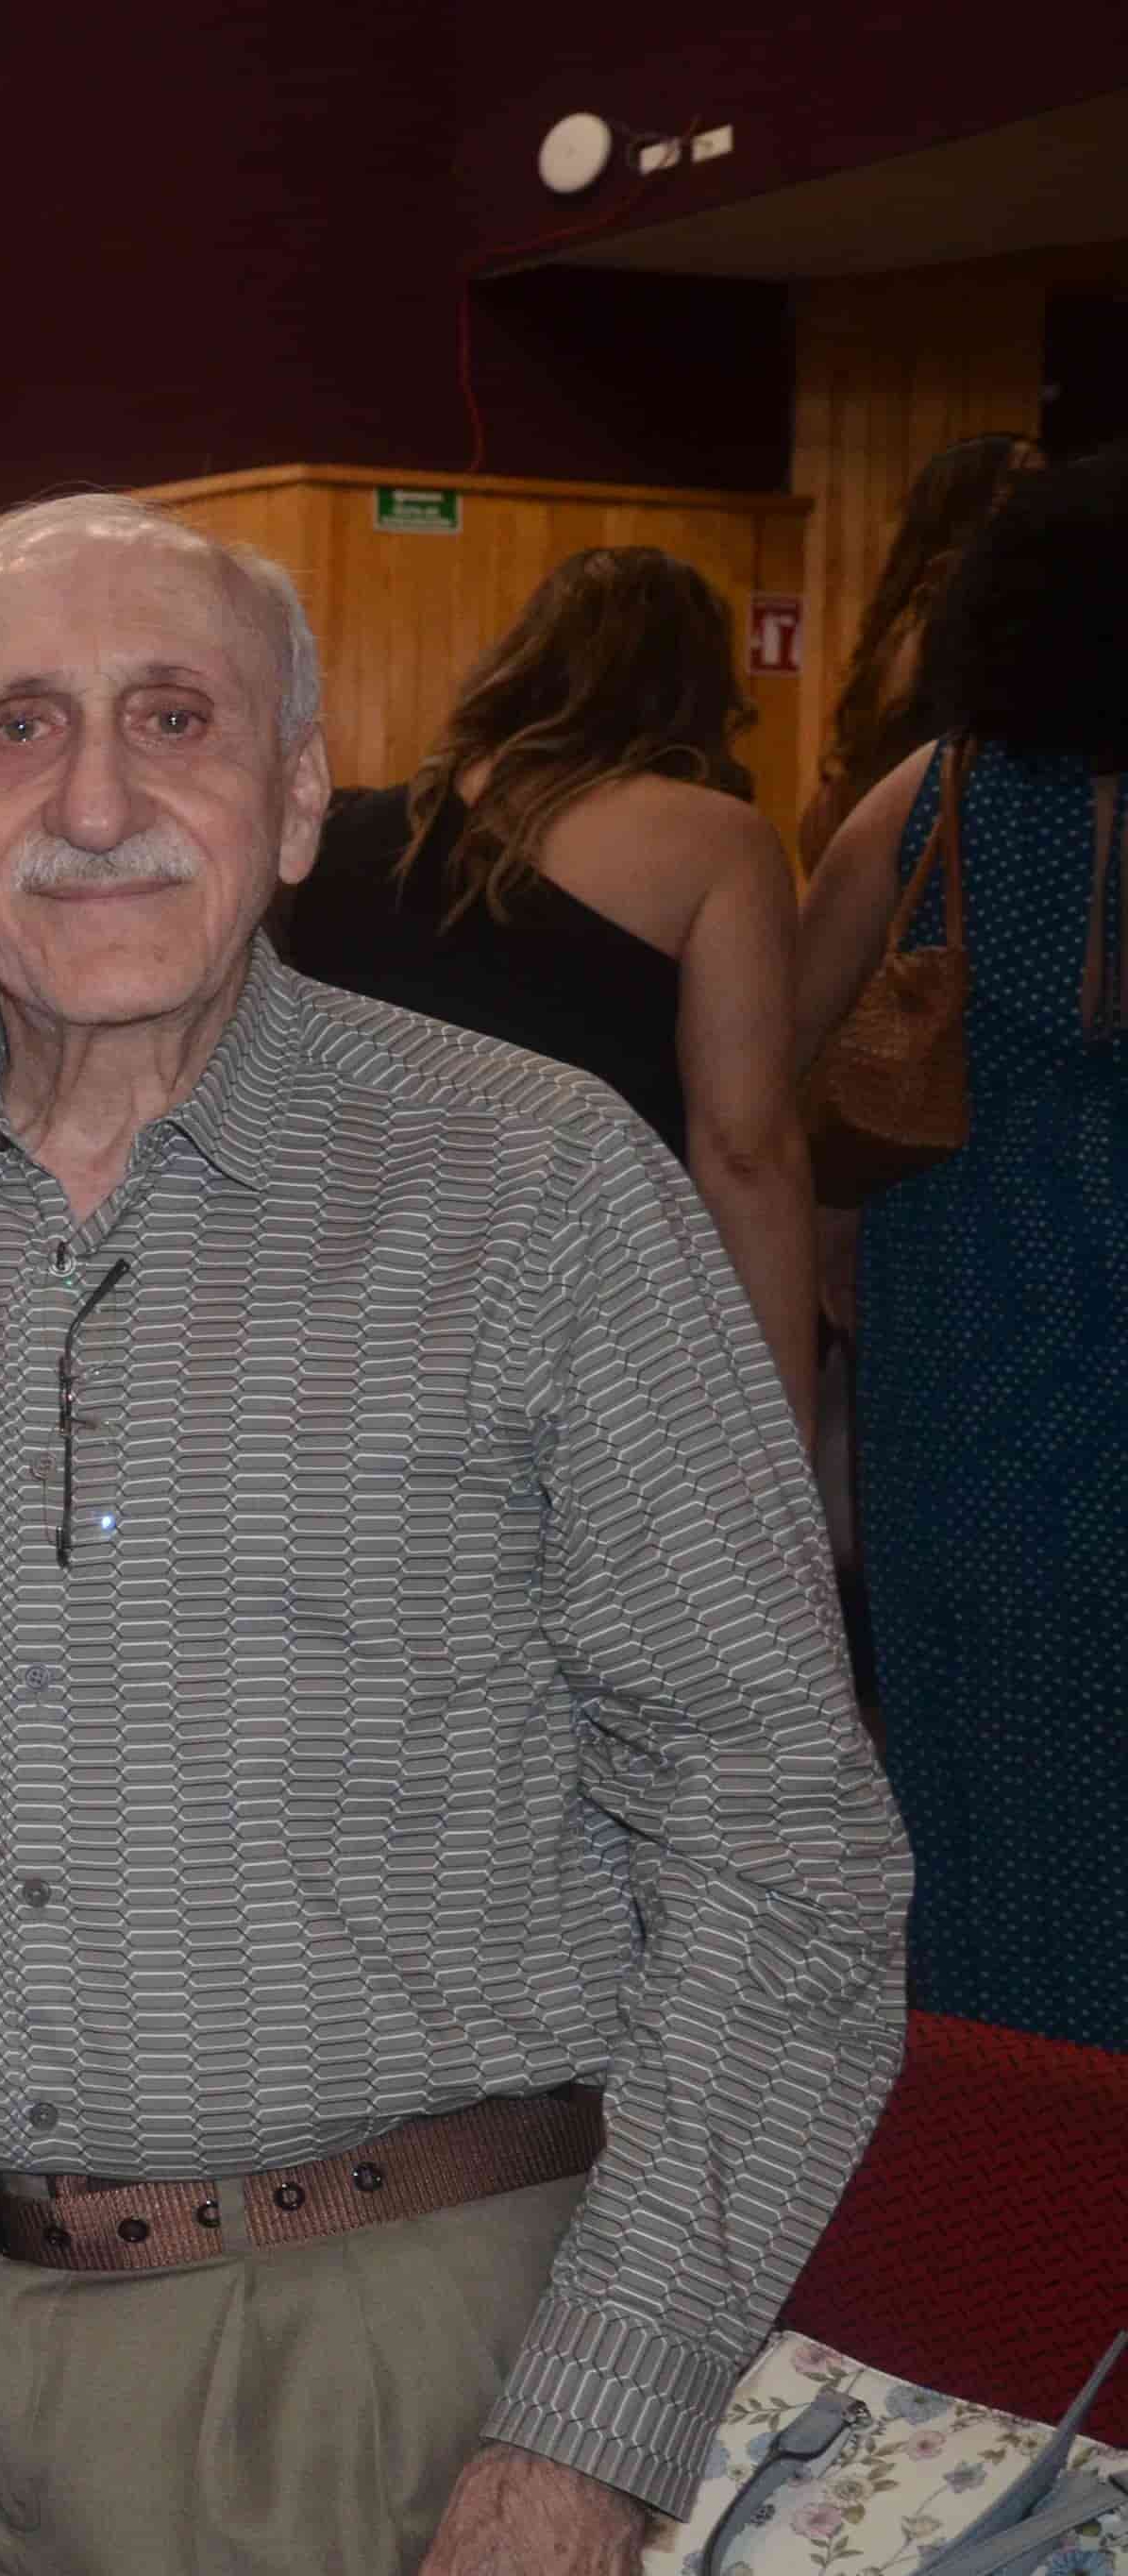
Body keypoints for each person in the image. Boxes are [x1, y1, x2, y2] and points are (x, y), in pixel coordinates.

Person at [0, 492, 908, 2576]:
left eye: (179, 718)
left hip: (370, 2372)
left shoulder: (536, 1187)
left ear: (298, 802)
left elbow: (792, 1861)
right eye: (14, 730)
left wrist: (591, 2440)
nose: (96, 794)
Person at [798, 440, 1128, 2054]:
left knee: (964, 1706)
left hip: (964, 1297)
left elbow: (780, 1053)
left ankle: (984, 2065)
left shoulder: (926, 797)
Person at [277, 547, 816, 1421]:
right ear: (700, 688)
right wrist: (778, 1417)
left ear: (520, 661)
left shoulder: (347, 835)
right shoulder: (716, 843)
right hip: (594, 1314)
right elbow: (746, 1150)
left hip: (354, 1309)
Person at [804, 432, 1039, 863]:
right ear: (970, 506)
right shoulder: (932, 614)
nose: (1041, 499)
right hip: (926, 848)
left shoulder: (941, 610)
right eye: (1019, 483)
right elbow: (903, 756)